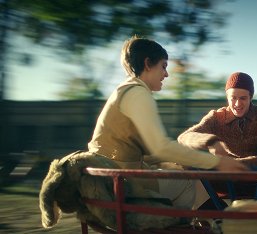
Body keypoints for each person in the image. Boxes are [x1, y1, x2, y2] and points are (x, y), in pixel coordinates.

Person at [87, 35, 247, 211]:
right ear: (148, 64)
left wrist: (178, 161)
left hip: (110, 179)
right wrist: (217, 163)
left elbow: (144, 150)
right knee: (189, 182)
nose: (166, 74)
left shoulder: (126, 91)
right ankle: (215, 223)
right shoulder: (138, 94)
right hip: (120, 183)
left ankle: (215, 223)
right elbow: (160, 147)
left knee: (182, 173)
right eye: (163, 66)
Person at [177, 72, 257, 201]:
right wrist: (211, 141)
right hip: (223, 181)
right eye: (233, 98)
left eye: (243, 98)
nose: (237, 104)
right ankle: (211, 219)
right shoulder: (216, 117)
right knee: (189, 171)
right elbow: (184, 138)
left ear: (250, 97)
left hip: (256, 180)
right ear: (227, 97)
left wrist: (232, 164)